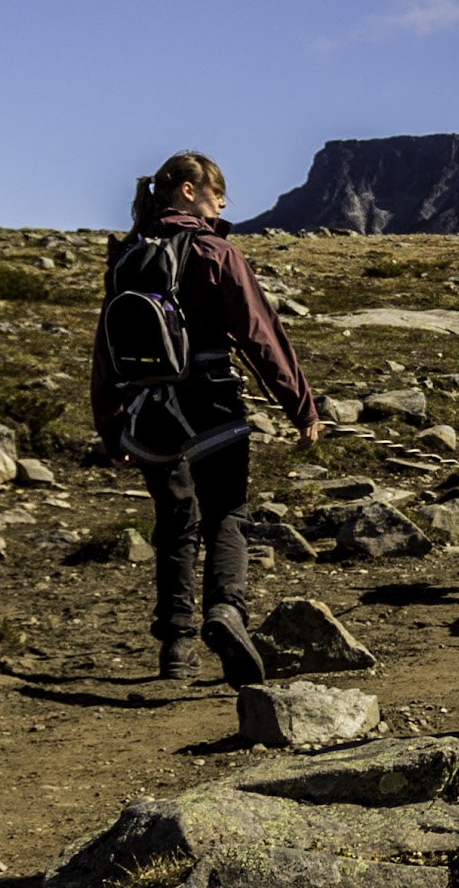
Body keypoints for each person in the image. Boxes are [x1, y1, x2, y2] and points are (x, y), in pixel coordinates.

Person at [88, 151, 323, 684]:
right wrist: (301, 406)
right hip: (211, 403)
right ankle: (226, 613)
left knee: (174, 524)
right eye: (219, 192)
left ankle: (175, 646)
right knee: (227, 515)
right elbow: (261, 335)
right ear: (189, 191)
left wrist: (111, 423)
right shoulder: (216, 253)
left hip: (147, 413)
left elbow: (104, 348)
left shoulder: (126, 257)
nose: (223, 203)